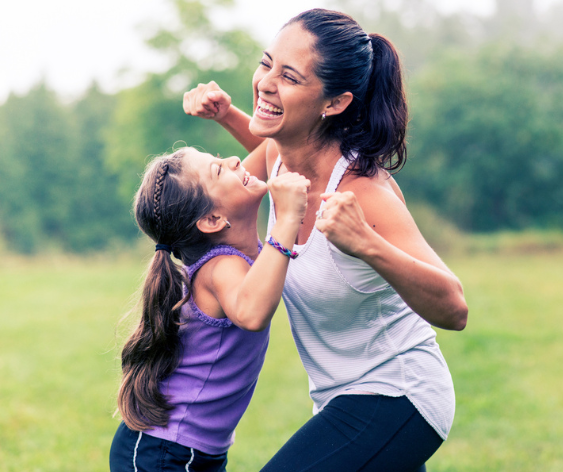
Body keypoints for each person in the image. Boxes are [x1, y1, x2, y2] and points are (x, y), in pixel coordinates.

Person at [182, 8, 469, 472]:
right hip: (340, 398)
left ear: (333, 103)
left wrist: (367, 245)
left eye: (290, 76)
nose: (266, 82)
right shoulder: (277, 160)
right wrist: (227, 114)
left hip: (398, 394)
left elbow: (454, 308)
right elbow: (242, 178)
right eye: (266, 63)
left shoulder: (363, 193)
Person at [109, 146, 310, 471]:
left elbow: (274, 146)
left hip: (185, 449)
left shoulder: (233, 252)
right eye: (218, 169)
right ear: (213, 220)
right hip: (166, 452)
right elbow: (252, 313)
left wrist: (227, 113)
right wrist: (287, 220)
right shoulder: (221, 267)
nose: (234, 161)